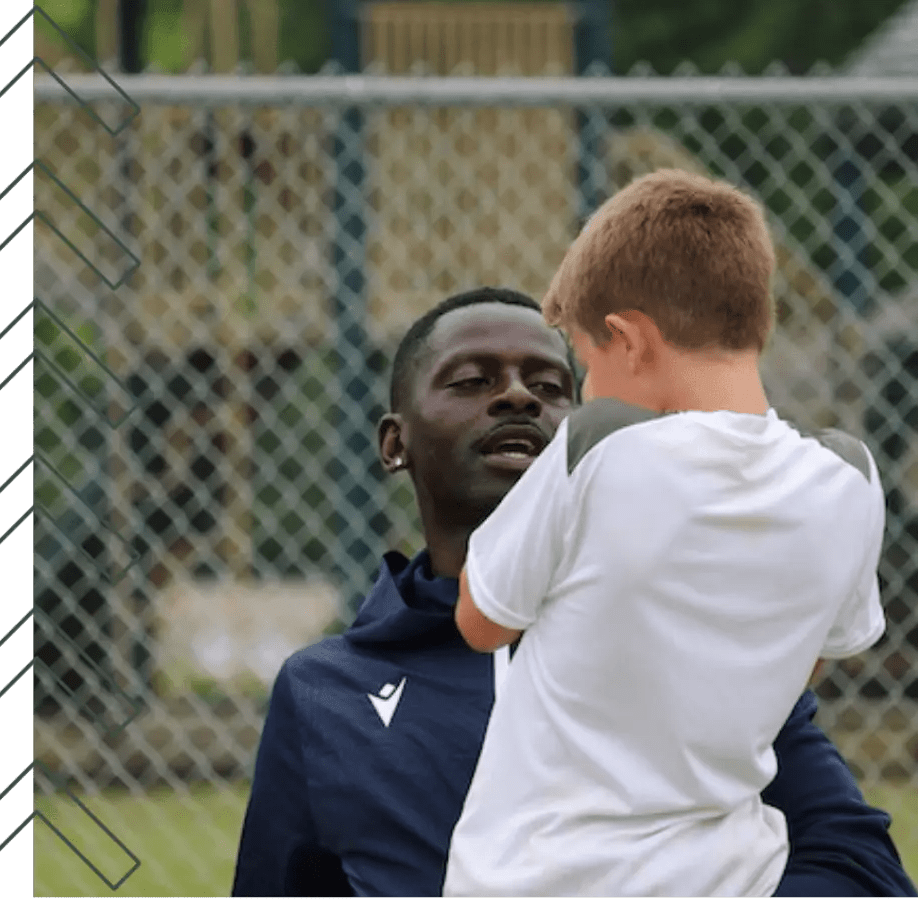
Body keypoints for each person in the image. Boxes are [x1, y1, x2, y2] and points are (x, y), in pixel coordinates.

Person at [231, 286, 917, 899]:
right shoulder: (324, 693)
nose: (518, 397)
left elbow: (863, 869)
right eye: (471, 380)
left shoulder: (700, 643)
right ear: (393, 443)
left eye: (552, 385)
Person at [444, 172, 889, 898]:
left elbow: (481, 618)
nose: (582, 388)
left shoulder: (599, 441)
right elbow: (806, 661)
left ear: (628, 338)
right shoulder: (847, 474)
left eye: (587, 359)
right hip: (735, 878)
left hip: (536, 876)